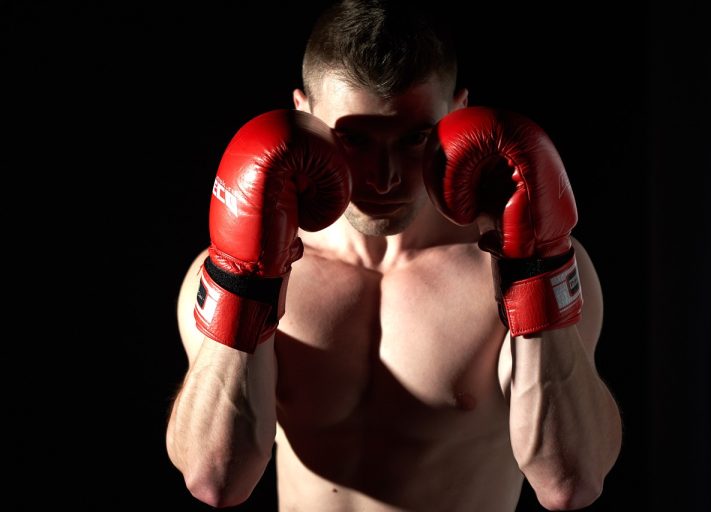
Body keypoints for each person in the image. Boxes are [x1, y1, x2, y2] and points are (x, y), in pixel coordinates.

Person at [166, 0, 622, 510]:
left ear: (457, 114)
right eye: (354, 139)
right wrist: (246, 283)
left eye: (415, 138)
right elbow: (215, 481)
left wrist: (532, 269)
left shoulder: (512, 267)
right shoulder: (232, 270)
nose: (384, 177)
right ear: (305, 114)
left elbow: (571, 483)